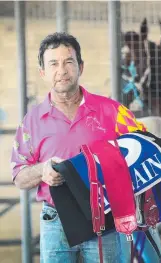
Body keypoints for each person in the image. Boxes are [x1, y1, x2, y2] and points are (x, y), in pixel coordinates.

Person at [10, 32, 146, 262]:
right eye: (53, 63)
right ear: (43, 72)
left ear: (80, 67)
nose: (61, 70)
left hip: (106, 219)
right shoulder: (31, 122)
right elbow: (19, 177)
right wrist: (42, 170)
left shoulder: (112, 111)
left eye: (68, 62)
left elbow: (143, 150)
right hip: (56, 220)